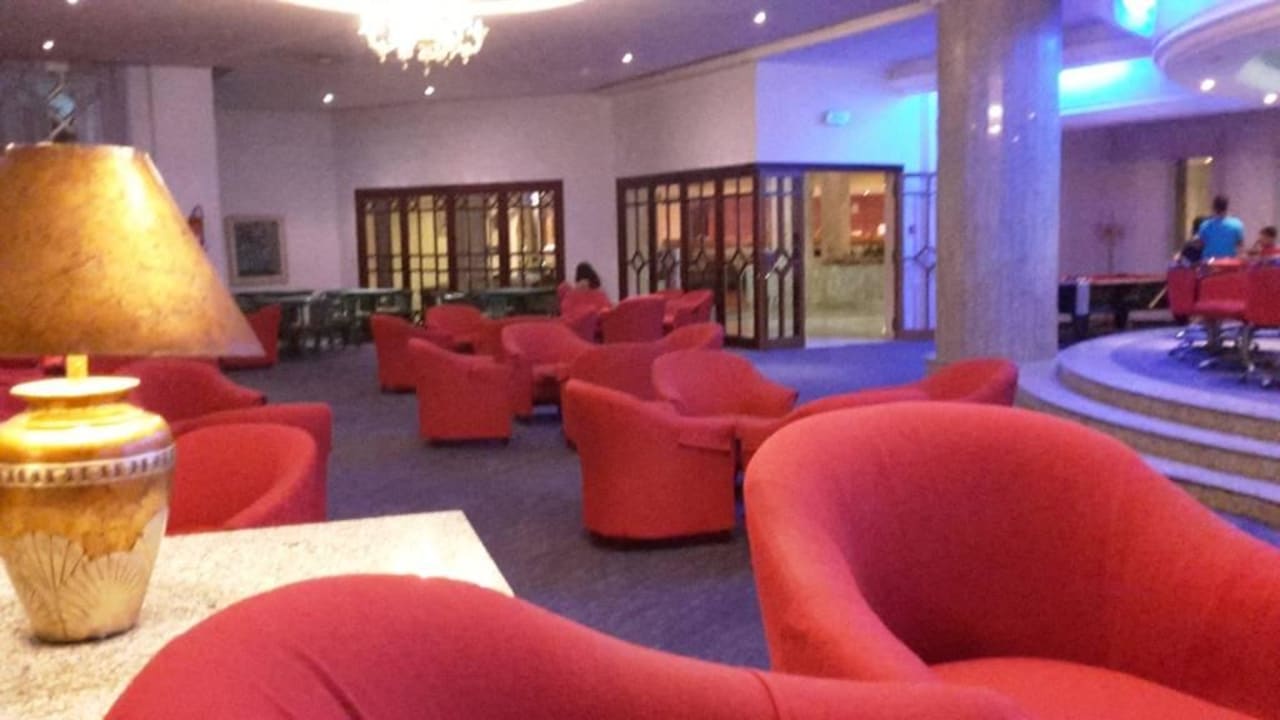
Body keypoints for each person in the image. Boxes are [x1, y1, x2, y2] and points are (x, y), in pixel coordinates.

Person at [1196, 195, 1245, 259]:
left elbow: (1200, 245)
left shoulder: (1205, 225)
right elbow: (1240, 246)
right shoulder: (1237, 224)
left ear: (1214, 207)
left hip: (1210, 262)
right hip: (1229, 261)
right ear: (1226, 207)